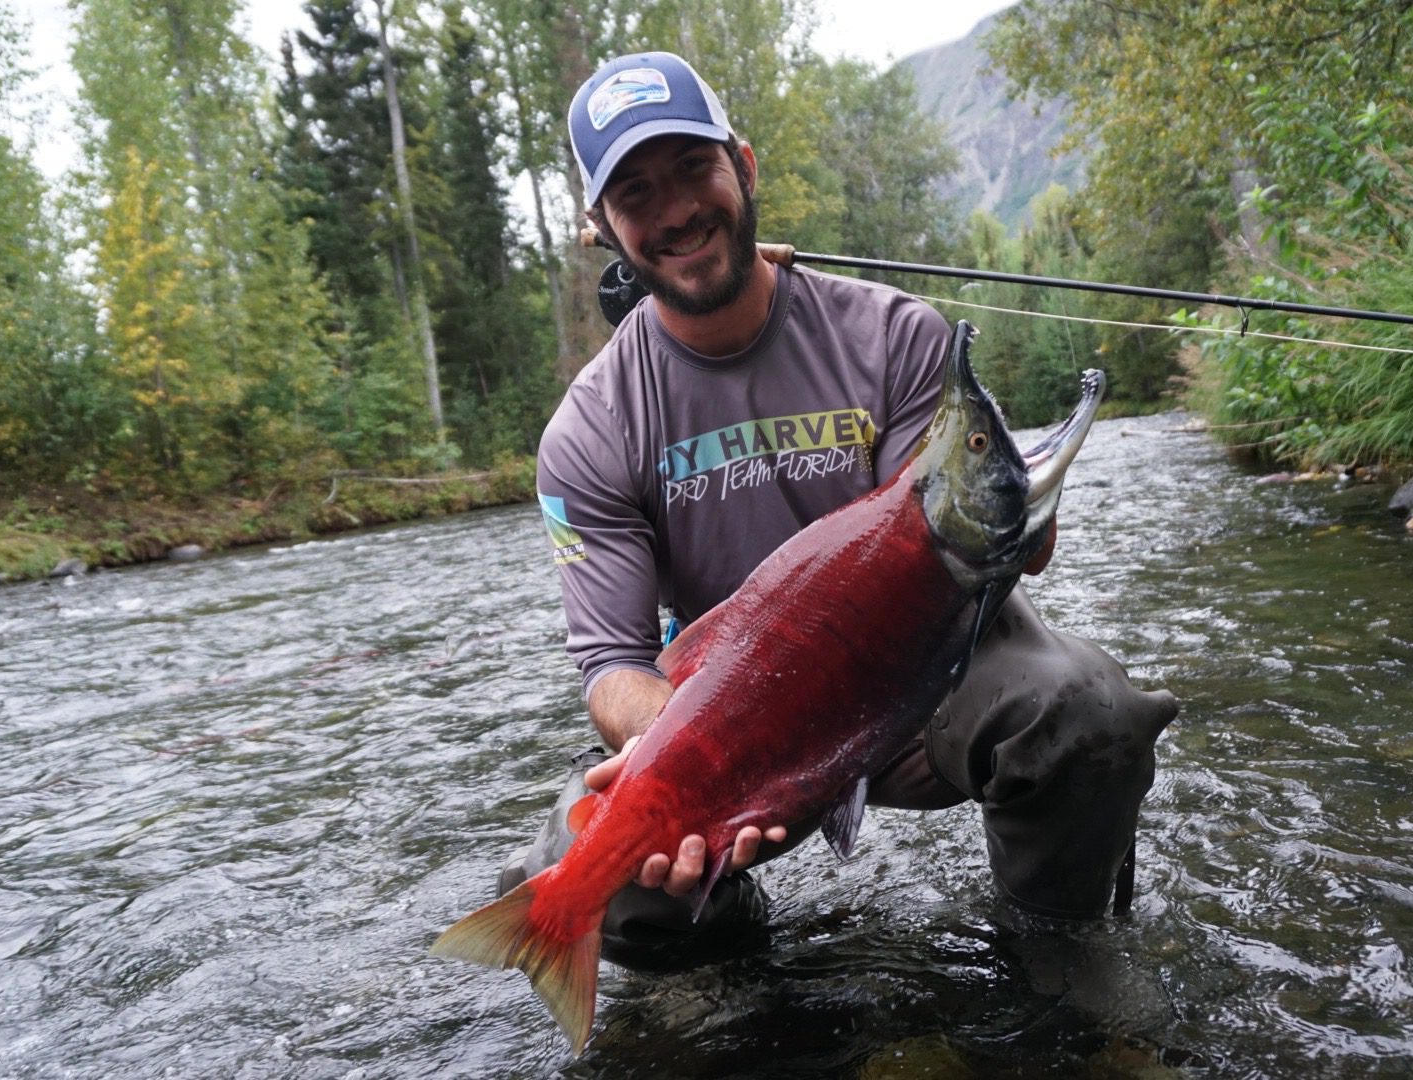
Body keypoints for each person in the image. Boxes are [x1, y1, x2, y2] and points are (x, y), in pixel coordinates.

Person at [498, 50, 1178, 962]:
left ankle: (1058, 961)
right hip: (744, 726)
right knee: (585, 873)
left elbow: (952, 556)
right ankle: (732, 956)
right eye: (635, 194)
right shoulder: (589, 429)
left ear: (742, 164)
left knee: (1087, 709)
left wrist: (1027, 521)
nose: (675, 211)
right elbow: (617, 665)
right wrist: (689, 767)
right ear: (604, 227)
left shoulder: (892, 335)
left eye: (694, 170)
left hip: (922, 682)